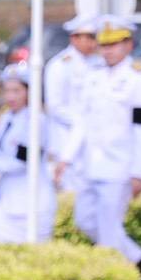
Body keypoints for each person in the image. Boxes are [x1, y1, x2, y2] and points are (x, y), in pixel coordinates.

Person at [55, 15, 141, 272]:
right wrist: (66, 157)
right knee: (84, 220)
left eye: (114, 44)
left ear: (128, 45)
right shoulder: (94, 76)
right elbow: (82, 121)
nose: (108, 50)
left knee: (109, 227)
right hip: (90, 164)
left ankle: (111, 276)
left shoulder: (140, 79)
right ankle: (136, 257)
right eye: (104, 44)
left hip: (120, 165)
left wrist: (139, 171)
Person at [0, 63, 55, 243]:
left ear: (29, 92)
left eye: (17, 91)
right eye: (7, 91)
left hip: (29, 203)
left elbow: (21, 162)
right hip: (6, 198)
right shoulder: (7, 117)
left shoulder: (35, 121)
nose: (10, 96)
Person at [44, 15, 100, 195]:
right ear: (74, 38)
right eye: (88, 37)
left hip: (92, 141)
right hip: (65, 138)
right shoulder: (60, 65)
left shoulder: (98, 64)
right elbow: (55, 106)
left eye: (94, 37)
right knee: (68, 193)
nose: (92, 43)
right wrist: (80, 122)